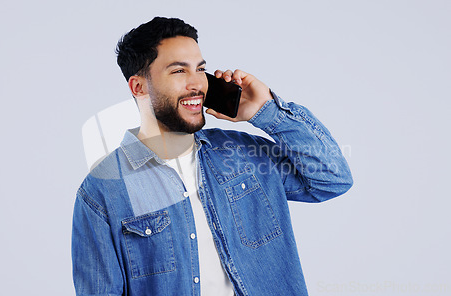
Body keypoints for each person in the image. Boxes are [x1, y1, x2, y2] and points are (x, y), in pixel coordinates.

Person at [72, 16, 353, 296]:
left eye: (200, 68)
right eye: (179, 71)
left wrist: (266, 111)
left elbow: (333, 179)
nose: (197, 84)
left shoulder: (244, 154)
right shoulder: (102, 192)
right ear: (139, 87)